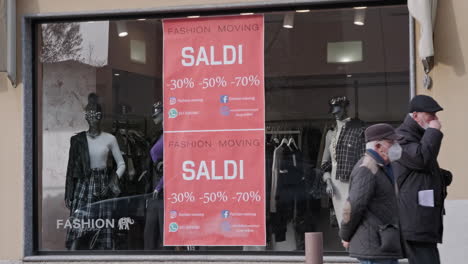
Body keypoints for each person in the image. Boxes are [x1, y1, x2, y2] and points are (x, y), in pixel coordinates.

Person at [393, 95, 452, 264]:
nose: (435, 119)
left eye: (435, 115)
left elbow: (418, 171)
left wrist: (441, 177)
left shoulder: (419, 136)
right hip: (414, 220)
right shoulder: (401, 138)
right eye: (431, 115)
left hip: (423, 219)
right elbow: (421, 159)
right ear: (416, 114)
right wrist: (434, 131)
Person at [340, 123, 404, 264]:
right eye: (390, 142)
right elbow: (353, 206)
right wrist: (345, 235)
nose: (395, 146)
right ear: (377, 147)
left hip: (384, 244)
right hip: (373, 247)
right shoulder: (367, 168)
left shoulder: (385, 166)